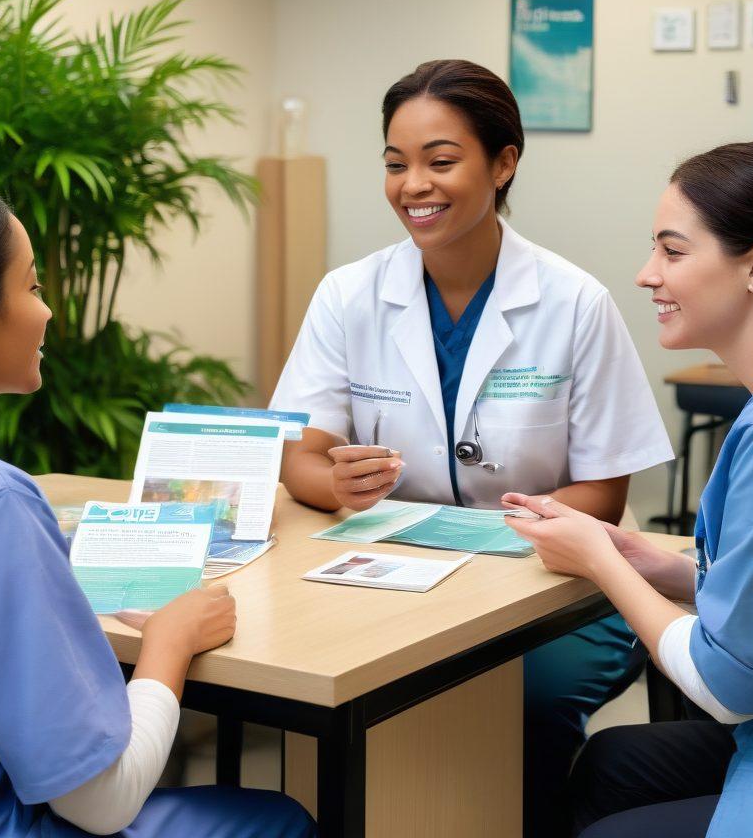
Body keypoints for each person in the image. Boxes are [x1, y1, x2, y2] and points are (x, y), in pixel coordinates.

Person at [0, 173, 314, 838]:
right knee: (276, 820)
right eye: (33, 285)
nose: (46, 311)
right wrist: (169, 642)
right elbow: (102, 801)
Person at [270, 59, 674, 835]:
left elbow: (603, 496)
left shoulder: (572, 302)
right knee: (327, 676)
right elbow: (299, 457)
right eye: (396, 164)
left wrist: (496, 536)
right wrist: (339, 485)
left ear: (504, 164)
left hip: (551, 589)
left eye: (440, 161)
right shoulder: (349, 295)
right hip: (389, 576)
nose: (413, 184)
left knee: (517, 699)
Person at [503, 140, 753, 838]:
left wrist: (603, 562)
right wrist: (661, 565)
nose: (647, 275)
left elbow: (727, 687)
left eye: (673, 252)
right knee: (611, 763)